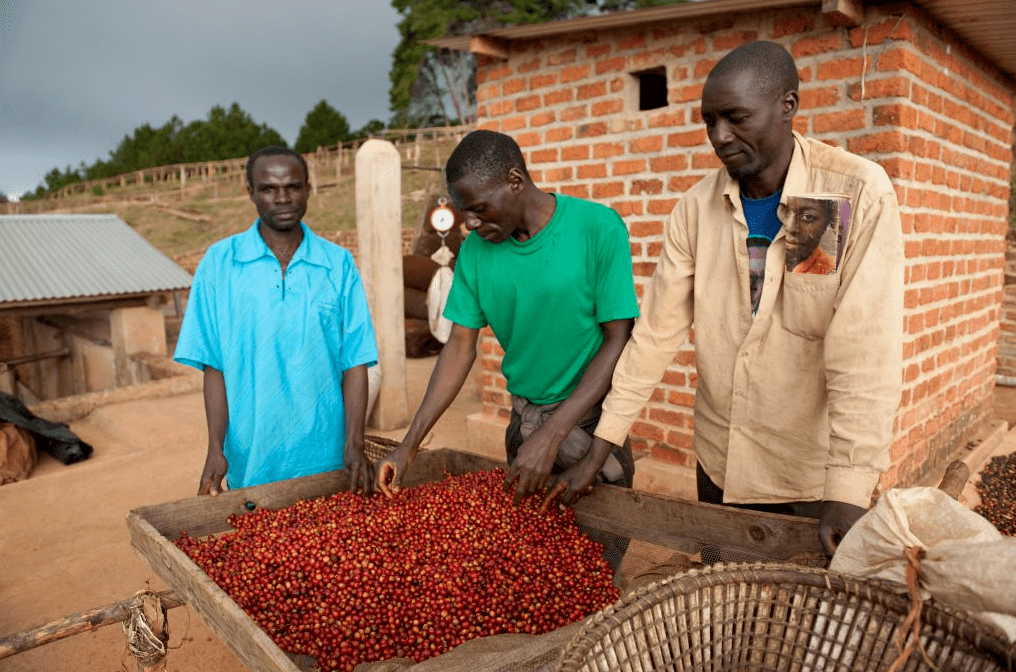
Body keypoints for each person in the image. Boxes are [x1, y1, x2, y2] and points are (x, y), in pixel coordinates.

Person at [589, 41, 904, 555]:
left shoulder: (851, 195)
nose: (719, 137)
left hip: (807, 481)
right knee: (725, 615)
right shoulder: (694, 210)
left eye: (735, 118)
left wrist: (848, 488)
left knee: (795, 624)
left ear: (788, 105)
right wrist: (604, 440)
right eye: (709, 121)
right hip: (721, 466)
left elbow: (865, 349)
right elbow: (654, 335)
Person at [376, 129, 639, 515]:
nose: (468, 223)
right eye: (463, 210)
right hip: (524, 428)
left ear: (515, 182)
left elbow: (618, 341)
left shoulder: (597, 228)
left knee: (599, 562)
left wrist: (553, 433)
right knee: (533, 562)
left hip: (590, 427)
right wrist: (408, 446)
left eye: (478, 208)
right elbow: (460, 345)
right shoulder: (476, 254)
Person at [174, 145, 379, 495]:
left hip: (328, 459)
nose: (282, 198)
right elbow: (214, 366)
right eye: (268, 188)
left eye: (293, 187)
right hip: (252, 459)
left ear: (308, 190)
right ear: (250, 192)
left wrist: (355, 444)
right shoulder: (219, 264)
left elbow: (355, 362)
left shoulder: (338, 265)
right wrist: (215, 449)